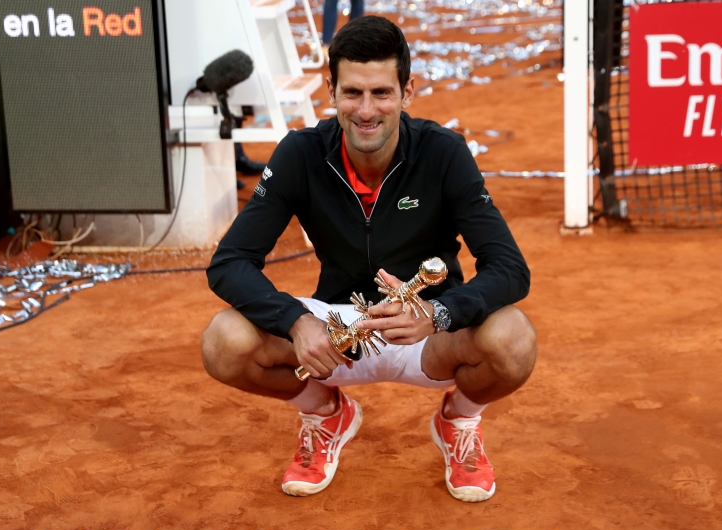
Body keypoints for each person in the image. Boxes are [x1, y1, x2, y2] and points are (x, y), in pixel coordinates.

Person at [203, 16, 535, 503]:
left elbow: (510, 268)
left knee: (515, 339)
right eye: (352, 93)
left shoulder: (444, 153)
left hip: (426, 333)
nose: (366, 111)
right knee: (222, 341)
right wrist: (296, 322)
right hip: (335, 330)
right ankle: (324, 412)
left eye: (381, 92)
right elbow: (229, 262)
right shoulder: (301, 154)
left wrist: (440, 313)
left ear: (407, 93)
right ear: (331, 91)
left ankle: (458, 419)